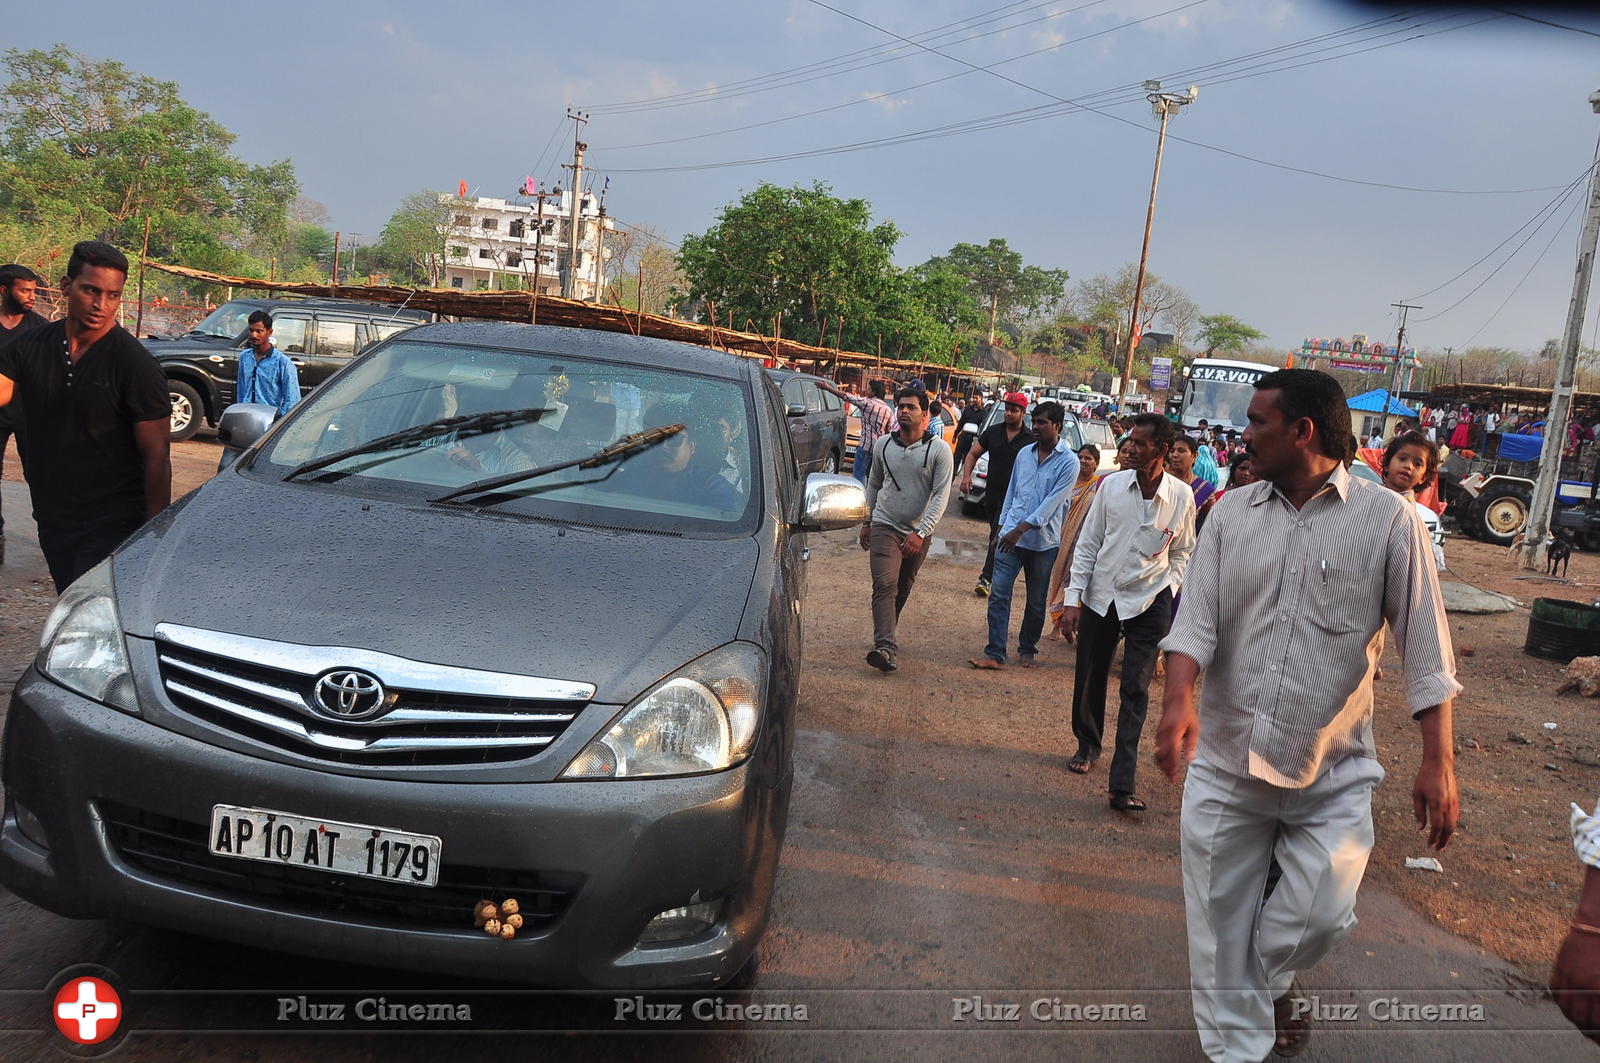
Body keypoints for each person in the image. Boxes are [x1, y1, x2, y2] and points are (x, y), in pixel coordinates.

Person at [1154, 368, 1458, 1063]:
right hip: (1228, 758)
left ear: (1303, 431)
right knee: (1218, 926)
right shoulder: (1231, 512)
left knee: (1317, 916)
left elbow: (1426, 646)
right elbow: (1195, 620)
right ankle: (1239, 1048)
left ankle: (1276, 979)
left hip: (1334, 767)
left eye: (1259, 421)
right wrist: (1177, 704)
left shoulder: (1389, 519)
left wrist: (1439, 760)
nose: (1245, 434)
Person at [0, 241, 172, 592]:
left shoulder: (134, 365)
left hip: (113, 520)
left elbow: (156, 457)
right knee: (70, 599)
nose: (100, 305)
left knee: (85, 607)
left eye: (112, 295)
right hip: (52, 513)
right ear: (66, 286)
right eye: (90, 290)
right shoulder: (29, 346)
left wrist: (153, 536)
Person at [1059, 412, 1195, 812]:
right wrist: (1073, 599)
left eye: (1139, 443)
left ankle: (1123, 781)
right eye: (1129, 441)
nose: (1129, 447)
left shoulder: (1181, 497)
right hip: (1102, 595)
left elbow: (1183, 551)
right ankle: (1087, 743)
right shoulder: (1111, 487)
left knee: (1135, 689)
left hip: (1150, 600)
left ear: (1163, 451)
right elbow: (1088, 544)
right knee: (1090, 676)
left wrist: (1168, 590)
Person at [969, 401, 1078, 670]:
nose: (1037, 427)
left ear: (1057, 426)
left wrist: (1021, 529)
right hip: (1009, 537)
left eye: (1042, 423)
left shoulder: (1069, 462)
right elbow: (1012, 493)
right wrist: (1002, 527)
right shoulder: (1024, 454)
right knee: (998, 594)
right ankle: (995, 652)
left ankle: (1027, 648)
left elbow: (1052, 504)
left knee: (1036, 600)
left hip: (1042, 544)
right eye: (1035, 421)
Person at [859, 387, 953, 673]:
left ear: (925, 415)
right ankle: (886, 646)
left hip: (919, 532)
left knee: (903, 586)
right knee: (885, 584)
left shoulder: (939, 451)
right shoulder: (883, 446)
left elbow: (940, 495)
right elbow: (873, 483)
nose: (903, 411)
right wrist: (867, 520)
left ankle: (888, 632)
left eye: (911, 407)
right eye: (900, 406)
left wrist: (921, 532)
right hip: (885, 524)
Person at [960, 392, 1035, 597]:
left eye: (1014, 410)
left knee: (997, 535)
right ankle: (1000, 573)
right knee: (995, 533)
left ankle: (986, 578)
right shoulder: (992, 432)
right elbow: (973, 453)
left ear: (1023, 412)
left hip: (1015, 499)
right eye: (1007, 409)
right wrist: (966, 476)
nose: (1009, 413)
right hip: (991, 495)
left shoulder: (1030, 440)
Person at [0, 264, 49, 566]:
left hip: (31, 416)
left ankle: (51, 536)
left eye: (33, 290)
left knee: (41, 477)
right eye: (24, 290)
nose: (31, 296)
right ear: (4, 291)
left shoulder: (41, 331)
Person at [1044, 444, 1106, 640]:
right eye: (1080, 457)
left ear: (1096, 464)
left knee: (1074, 583)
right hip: (1061, 540)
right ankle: (1056, 625)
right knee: (1058, 579)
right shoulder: (1068, 481)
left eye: (1088, 458)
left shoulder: (1098, 486)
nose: (1083, 461)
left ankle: (1072, 628)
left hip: (1084, 545)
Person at [1381, 430, 1445, 572]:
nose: (1408, 466)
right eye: (1402, 459)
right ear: (1387, 464)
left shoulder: (1414, 517)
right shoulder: (1370, 500)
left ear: (1423, 477)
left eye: (1417, 464)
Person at [821, 377, 894, 487]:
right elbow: (890, 432)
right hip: (878, 449)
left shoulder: (867, 403)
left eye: (869, 389)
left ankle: (859, 496)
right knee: (873, 477)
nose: (866, 391)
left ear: (874, 392)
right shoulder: (888, 410)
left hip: (865, 446)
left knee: (858, 476)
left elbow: (846, 397)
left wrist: (828, 388)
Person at [235, 311, 301, 415]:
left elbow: (293, 400)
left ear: (269, 332)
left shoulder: (282, 362)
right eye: (251, 330)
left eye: (259, 331)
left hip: (270, 421)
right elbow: (241, 390)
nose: (254, 335)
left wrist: (279, 422)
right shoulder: (244, 357)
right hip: (246, 418)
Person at [1167, 435, 1216, 509]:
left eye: (1181, 451)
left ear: (1194, 455)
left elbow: (1207, 519)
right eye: (1172, 451)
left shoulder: (1204, 489)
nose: (1175, 455)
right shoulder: (1161, 480)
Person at [952, 395, 985, 472]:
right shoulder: (967, 409)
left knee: (969, 462)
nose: (974, 400)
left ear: (981, 399)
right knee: (956, 458)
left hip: (974, 440)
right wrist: (955, 435)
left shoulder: (984, 412)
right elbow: (961, 423)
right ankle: (952, 476)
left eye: (976, 398)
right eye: (974, 398)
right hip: (963, 437)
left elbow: (983, 428)